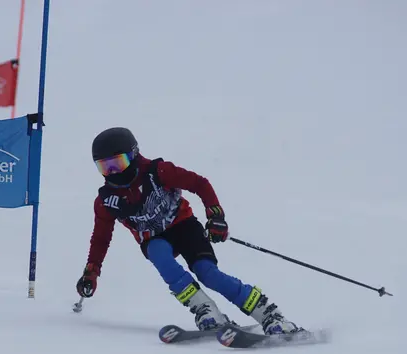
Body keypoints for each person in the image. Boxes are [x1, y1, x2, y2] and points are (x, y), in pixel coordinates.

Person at [76, 127, 303, 335]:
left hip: (184, 226)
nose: (113, 172)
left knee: (208, 273)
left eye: (118, 163)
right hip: (153, 238)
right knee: (159, 255)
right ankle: (204, 309)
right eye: (105, 167)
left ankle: (268, 314)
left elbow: (199, 183)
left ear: (134, 155)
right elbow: (101, 238)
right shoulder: (107, 201)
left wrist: (215, 216)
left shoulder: (159, 172)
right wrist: (91, 271)